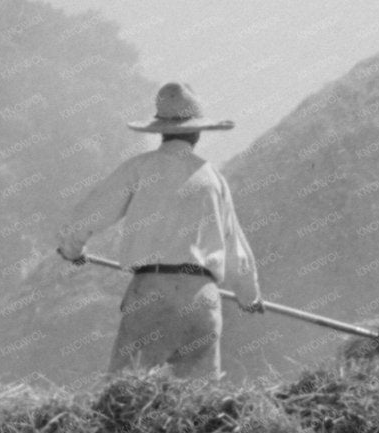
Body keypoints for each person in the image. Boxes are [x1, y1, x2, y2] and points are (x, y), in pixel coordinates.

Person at [57, 82, 264, 379]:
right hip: (202, 298)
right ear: (198, 132)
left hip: (152, 292)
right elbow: (236, 250)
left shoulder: (139, 168)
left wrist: (72, 250)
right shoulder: (214, 180)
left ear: (160, 130)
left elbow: (90, 215)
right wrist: (249, 297)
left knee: (125, 392)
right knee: (199, 401)